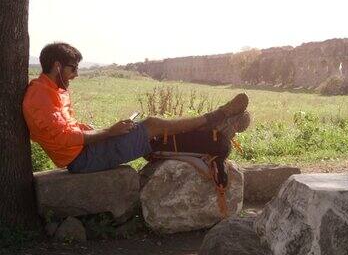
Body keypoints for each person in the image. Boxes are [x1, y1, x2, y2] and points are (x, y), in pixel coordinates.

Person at [23, 42, 250, 186]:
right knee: (151, 126)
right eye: (73, 68)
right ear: (56, 66)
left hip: (85, 150)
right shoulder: (40, 96)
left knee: (150, 132)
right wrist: (108, 132)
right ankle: (216, 117)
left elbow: (68, 128)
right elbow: (62, 138)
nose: (76, 74)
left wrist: (90, 128)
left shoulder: (54, 90)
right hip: (82, 160)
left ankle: (209, 128)